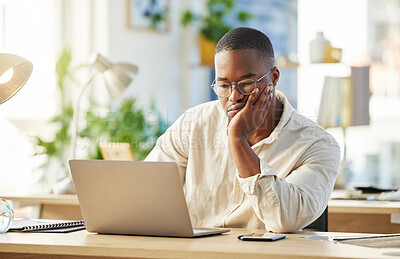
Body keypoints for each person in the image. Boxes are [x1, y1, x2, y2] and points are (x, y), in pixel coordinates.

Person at [145, 27, 340, 232]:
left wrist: (237, 138)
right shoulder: (193, 124)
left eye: (246, 83)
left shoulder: (318, 144)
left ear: (274, 78)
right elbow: (145, 191)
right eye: (224, 86)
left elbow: (285, 219)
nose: (233, 96)